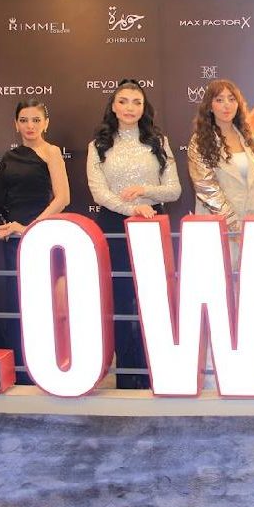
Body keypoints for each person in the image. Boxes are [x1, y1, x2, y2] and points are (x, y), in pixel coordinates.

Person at [86, 79, 181, 389]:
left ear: (144, 107)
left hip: (152, 226)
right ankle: (127, 376)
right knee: (122, 300)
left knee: (153, 300)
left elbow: (174, 190)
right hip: (114, 228)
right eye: (123, 101)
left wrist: (145, 191)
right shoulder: (98, 145)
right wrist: (132, 208)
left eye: (136, 102)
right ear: (113, 106)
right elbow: (99, 193)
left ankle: (155, 373)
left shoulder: (159, 142)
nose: (130, 108)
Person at [0, 99, 70, 385]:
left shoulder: (51, 152)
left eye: (36, 120)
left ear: (46, 123)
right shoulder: (9, 158)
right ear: (16, 124)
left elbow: (63, 198)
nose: (30, 126)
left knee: (41, 303)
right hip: (12, 240)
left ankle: (45, 367)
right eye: (24, 120)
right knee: (15, 302)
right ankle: (20, 370)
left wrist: (31, 229)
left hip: (40, 236)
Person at [186, 79, 254, 264]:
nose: (227, 105)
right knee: (220, 277)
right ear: (210, 106)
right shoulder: (199, 142)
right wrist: (235, 227)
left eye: (231, 99)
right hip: (219, 226)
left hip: (251, 226)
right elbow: (207, 188)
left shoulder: (249, 137)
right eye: (219, 100)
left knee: (251, 277)